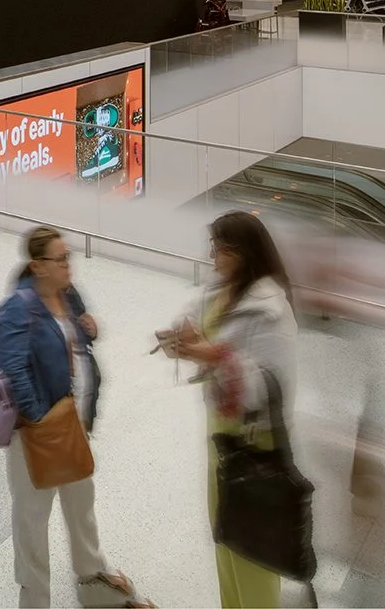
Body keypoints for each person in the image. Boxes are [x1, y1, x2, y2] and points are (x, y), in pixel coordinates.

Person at [0, 225, 145, 609]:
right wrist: (38, 418)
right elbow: (12, 366)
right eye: (60, 260)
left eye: (68, 258)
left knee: (81, 503)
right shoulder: (19, 306)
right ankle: (35, 600)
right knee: (33, 519)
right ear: (38, 265)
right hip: (38, 433)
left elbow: (75, 340)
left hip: (73, 423)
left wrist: (88, 328)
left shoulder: (67, 293)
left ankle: (92, 581)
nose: (68, 267)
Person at [162, 211, 304, 609]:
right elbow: (208, 340)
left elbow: (270, 387)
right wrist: (189, 342)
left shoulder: (271, 310)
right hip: (221, 437)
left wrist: (215, 355)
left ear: (242, 252)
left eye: (220, 248)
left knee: (252, 551)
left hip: (256, 444)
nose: (212, 255)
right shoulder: (220, 292)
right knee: (224, 538)